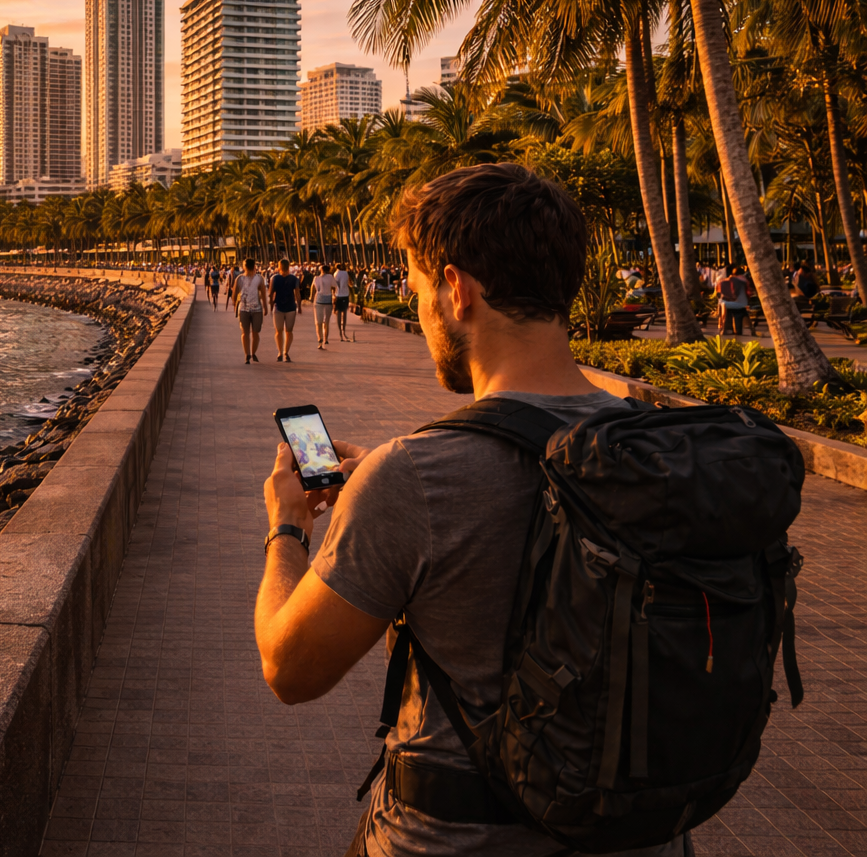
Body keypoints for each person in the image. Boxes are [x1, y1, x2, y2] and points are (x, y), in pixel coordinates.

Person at [254, 164, 690, 857]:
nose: (421, 306)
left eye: (417, 288)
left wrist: (287, 527)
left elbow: (290, 669)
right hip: (642, 836)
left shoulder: (415, 477)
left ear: (456, 290)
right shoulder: (665, 449)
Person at [233, 258, 268, 364]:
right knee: (253, 333)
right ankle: (250, 354)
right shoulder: (241, 279)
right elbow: (263, 294)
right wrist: (265, 307)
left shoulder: (257, 279)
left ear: (245, 267)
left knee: (248, 333)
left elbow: (234, 295)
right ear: (254, 267)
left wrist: (235, 305)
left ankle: (249, 354)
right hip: (249, 309)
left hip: (250, 309)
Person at [270, 258, 303, 362]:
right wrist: (299, 306)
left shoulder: (275, 278)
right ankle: (285, 352)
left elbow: (271, 293)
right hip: (290, 306)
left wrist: (271, 305)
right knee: (288, 331)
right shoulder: (294, 279)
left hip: (279, 306)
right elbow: (297, 293)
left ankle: (281, 352)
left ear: (279, 267)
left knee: (279, 331)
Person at [716, 264, 751, 336]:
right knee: (725, 304)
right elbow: (748, 293)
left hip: (735, 304)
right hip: (742, 303)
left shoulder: (733, 281)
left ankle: (722, 326)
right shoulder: (744, 280)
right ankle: (728, 326)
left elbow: (731, 293)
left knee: (722, 304)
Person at [313, 263, 337, 350]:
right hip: (328, 300)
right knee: (326, 321)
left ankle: (320, 339)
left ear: (321, 270)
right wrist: (334, 294)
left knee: (318, 322)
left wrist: (311, 297)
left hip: (318, 300)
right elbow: (335, 286)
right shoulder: (330, 277)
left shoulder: (316, 278)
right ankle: (325, 339)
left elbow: (313, 289)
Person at [334, 262, 354, 342]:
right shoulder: (346, 273)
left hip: (338, 295)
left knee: (338, 313)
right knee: (344, 313)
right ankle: (344, 330)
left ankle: (340, 331)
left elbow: (334, 285)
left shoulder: (335, 274)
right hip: (345, 294)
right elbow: (350, 283)